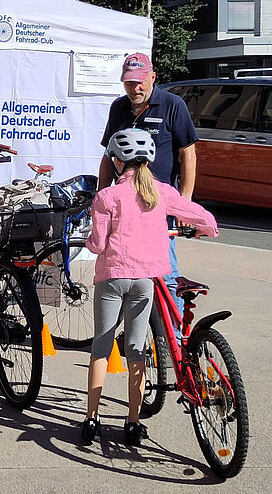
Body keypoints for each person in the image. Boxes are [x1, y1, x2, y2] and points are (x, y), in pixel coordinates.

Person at [82, 128, 218, 447]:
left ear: (117, 161)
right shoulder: (162, 192)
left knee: (101, 348)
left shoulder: (106, 197)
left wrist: (88, 239)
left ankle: (91, 419)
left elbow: (98, 243)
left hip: (112, 278)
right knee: (136, 348)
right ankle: (132, 422)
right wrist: (207, 230)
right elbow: (203, 219)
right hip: (145, 280)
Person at [98, 53, 198, 329]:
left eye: (140, 82)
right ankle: (136, 336)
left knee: (165, 273)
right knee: (126, 273)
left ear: (153, 77)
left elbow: (188, 154)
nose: (135, 89)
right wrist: (100, 194)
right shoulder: (119, 108)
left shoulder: (171, 105)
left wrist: (185, 202)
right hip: (124, 207)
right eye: (129, 83)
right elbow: (108, 156)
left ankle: (174, 341)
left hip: (158, 204)